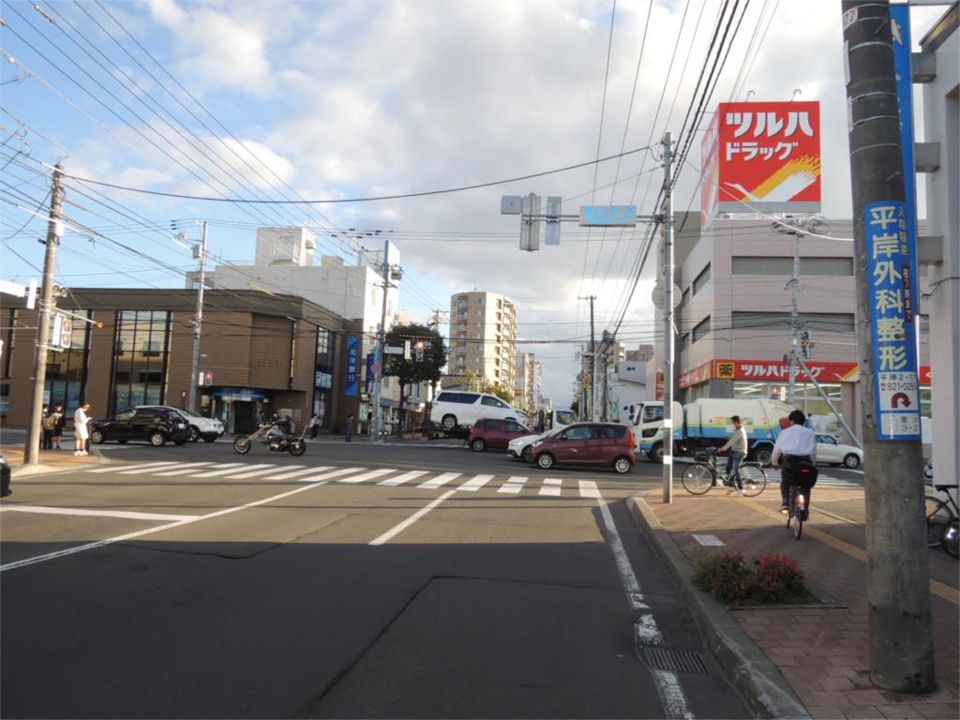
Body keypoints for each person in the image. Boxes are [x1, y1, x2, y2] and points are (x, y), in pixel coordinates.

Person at [771, 409, 818, 513]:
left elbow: (777, 449)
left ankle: (786, 503)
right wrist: (813, 463)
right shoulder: (810, 432)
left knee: (786, 482)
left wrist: (774, 462)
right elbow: (814, 451)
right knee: (806, 485)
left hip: (790, 461)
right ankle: (805, 509)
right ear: (803, 422)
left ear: (791, 421)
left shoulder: (784, 432)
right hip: (806, 461)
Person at [716, 415, 748, 493]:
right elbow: (734, 439)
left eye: (733, 423)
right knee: (728, 468)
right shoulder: (737, 429)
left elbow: (732, 441)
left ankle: (741, 488)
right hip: (734, 451)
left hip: (740, 452)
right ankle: (731, 486)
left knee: (735, 469)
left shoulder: (740, 430)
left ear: (737, 422)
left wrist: (723, 448)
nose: (732, 424)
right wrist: (729, 438)